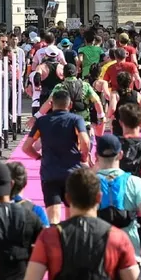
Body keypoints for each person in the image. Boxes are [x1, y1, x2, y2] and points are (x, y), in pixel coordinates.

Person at [21, 89, 91, 224]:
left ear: (52, 104)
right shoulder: (76, 120)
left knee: (53, 220)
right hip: (73, 173)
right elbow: (85, 141)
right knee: (72, 218)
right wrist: (84, 156)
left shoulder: (42, 122)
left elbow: (26, 147)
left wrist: (38, 157)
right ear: (70, 105)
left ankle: (55, 241)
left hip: (49, 173)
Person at [94, 134, 141, 259]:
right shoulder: (136, 182)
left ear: (96, 156)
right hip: (130, 254)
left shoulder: (88, 183)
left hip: (99, 256)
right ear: (121, 154)